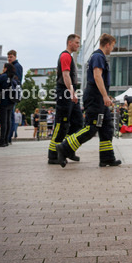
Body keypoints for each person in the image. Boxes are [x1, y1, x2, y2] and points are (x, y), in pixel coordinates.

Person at [56, 34, 122, 168]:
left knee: (106, 128)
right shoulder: (98, 56)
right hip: (95, 97)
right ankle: (64, 147)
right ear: (108, 44)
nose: (112, 49)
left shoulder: (99, 57)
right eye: (112, 46)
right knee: (91, 128)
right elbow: (97, 76)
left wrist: (105, 96)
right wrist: (104, 96)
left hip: (99, 98)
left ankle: (107, 158)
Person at [47, 33, 84, 165]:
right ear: (70, 43)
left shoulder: (68, 57)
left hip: (69, 92)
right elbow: (66, 75)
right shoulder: (65, 56)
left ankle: (68, 149)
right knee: (61, 125)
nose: (78, 45)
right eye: (77, 43)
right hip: (65, 92)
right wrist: (72, 93)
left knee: (78, 122)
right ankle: (53, 155)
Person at [0, 62, 18, 148]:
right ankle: (6, 140)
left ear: (6, 68)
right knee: (8, 121)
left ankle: (1, 141)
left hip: (2, 102)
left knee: (3, 122)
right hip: (11, 102)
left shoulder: (3, 76)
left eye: (3, 67)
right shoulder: (13, 78)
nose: (2, 69)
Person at [5, 50, 23, 144]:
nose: (9, 59)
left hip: (12, 94)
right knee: (9, 116)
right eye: (8, 57)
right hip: (10, 93)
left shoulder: (17, 66)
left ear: (15, 57)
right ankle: (8, 138)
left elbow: (17, 81)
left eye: (11, 57)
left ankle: (8, 138)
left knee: (10, 116)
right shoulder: (12, 66)